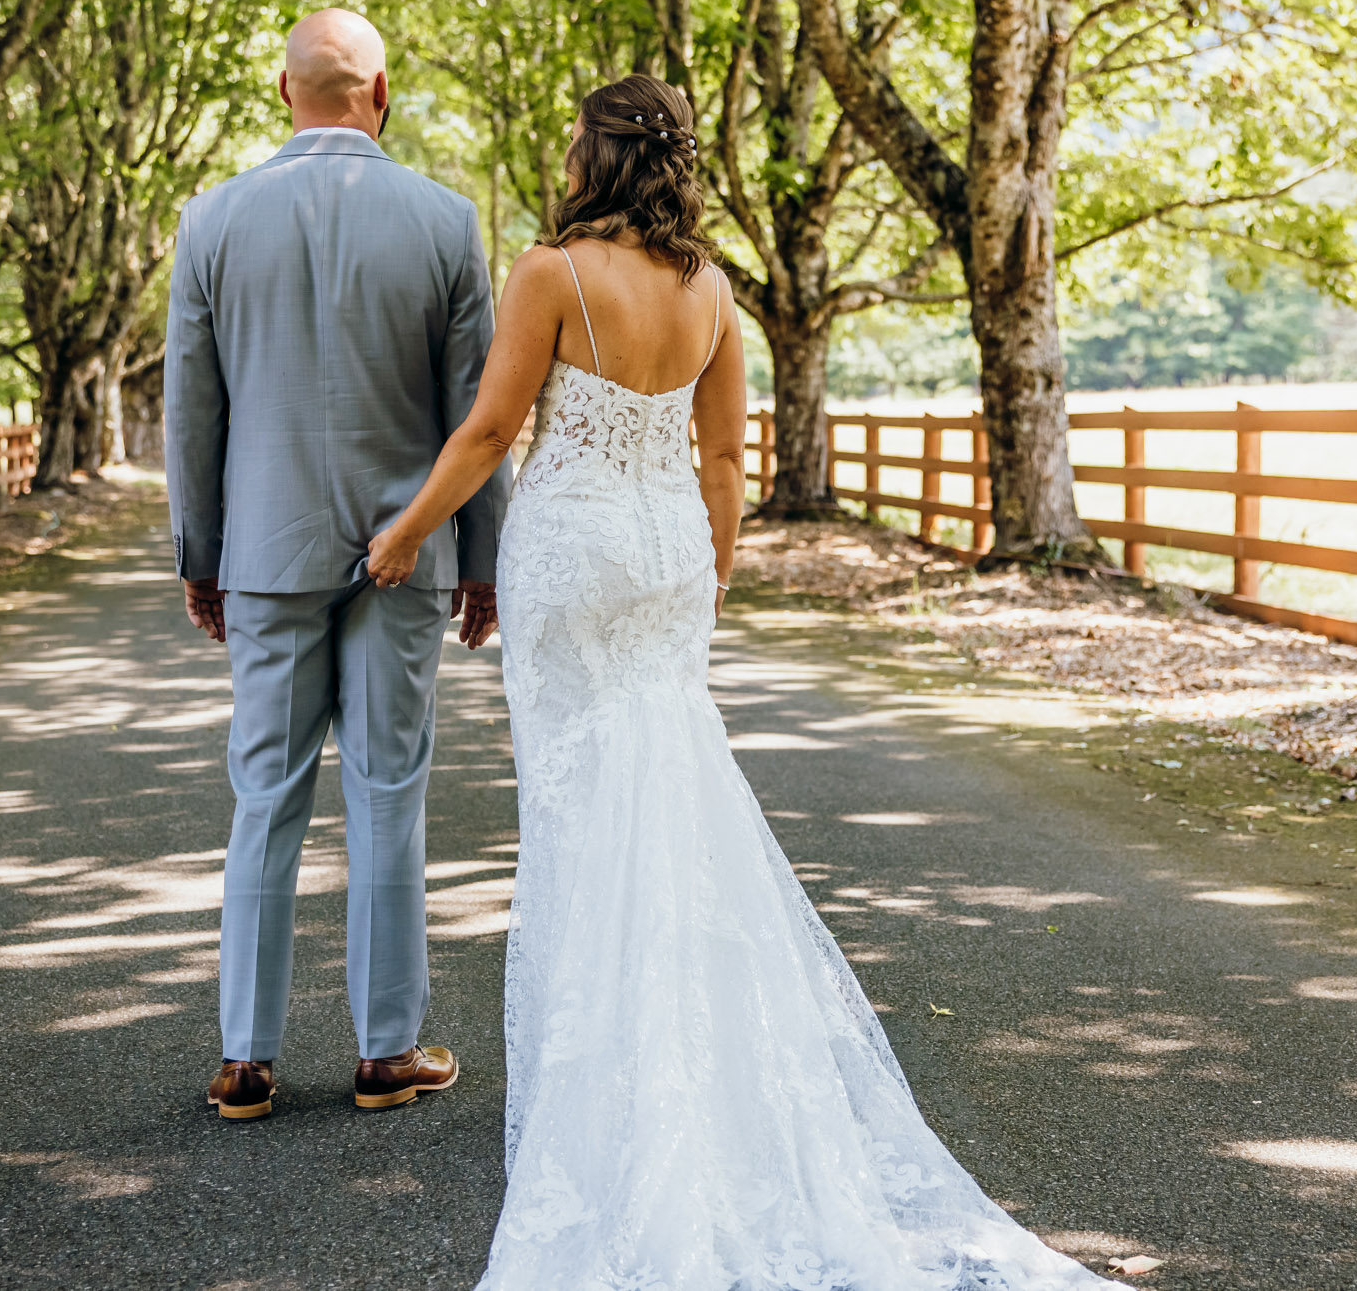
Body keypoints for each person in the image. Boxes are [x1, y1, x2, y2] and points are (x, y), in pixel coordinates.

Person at [367, 74, 1108, 1286]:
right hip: (666, 557)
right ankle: (698, 1067)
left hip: (576, 552)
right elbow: (724, 456)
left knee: (576, 809)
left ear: (594, 157)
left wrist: (408, 532)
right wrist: (715, 574)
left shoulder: (549, 272)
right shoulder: (713, 292)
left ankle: (609, 1084)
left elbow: (495, 431)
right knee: (674, 806)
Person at [163, 8, 508, 1121]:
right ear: (383, 90)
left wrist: (199, 552)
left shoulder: (211, 219)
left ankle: (246, 1057)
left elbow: (190, 409)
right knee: (388, 790)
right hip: (405, 551)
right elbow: (478, 415)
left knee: (264, 791)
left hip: (263, 549)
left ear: (283, 91)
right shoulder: (445, 221)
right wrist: (481, 557)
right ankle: (386, 1048)